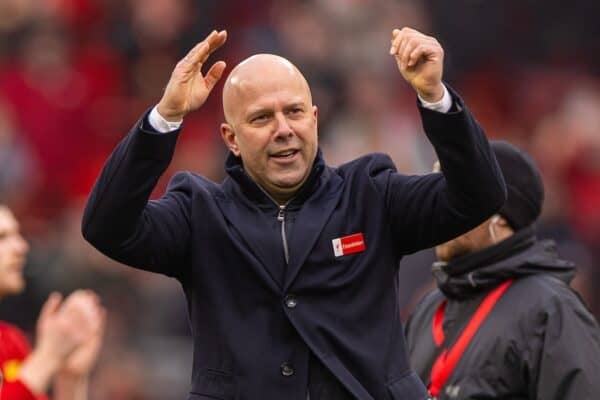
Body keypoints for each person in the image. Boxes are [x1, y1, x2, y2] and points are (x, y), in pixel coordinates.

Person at [81, 27, 506, 399]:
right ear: (231, 137)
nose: (283, 128)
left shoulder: (371, 194)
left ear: (315, 119)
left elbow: (480, 195)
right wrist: (166, 117)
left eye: (295, 112)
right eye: (262, 117)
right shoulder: (198, 213)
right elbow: (106, 226)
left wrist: (434, 96)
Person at [404, 141, 600, 400]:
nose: (440, 210)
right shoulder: (427, 309)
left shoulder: (550, 310)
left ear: (501, 215)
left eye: (456, 197)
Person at [0, 205, 106, 400]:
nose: (22, 247)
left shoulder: (10, 341)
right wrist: (48, 356)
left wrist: (70, 378)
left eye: (17, 235)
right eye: (2, 237)